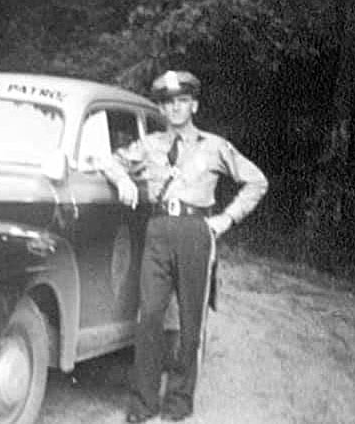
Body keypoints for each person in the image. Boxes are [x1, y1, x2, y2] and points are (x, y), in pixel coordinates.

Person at [101, 70, 268, 422]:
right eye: (167, 102)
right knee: (149, 317)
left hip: (196, 232)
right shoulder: (149, 145)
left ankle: (178, 405)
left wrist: (226, 220)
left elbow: (256, 181)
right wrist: (121, 180)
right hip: (158, 230)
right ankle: (142, 405)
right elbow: (110, 161)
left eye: (181, 101)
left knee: (192, 322)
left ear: (194, 104)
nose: (175, 108)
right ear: (161, 108)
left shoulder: (215, 146)